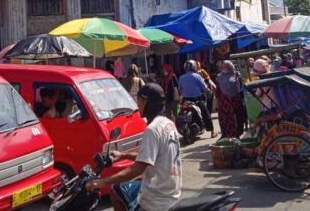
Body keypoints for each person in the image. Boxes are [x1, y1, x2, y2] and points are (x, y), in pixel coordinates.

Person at [86, 83, 181, 211]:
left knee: (117, 186)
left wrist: (103, 182)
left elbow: (137, 169)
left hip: (157, 199)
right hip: (169, 188)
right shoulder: (168, 124)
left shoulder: (152, 130)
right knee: (116, 190)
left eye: (140, 101)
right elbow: (149, 157)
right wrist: (122, 155)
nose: (138, 105)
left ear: (148, 103)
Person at [178, 60, 216, 138]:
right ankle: (212, 132)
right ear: (194, 67)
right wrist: (209, 91)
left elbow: (180, 89)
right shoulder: (197, 76)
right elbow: (205, 88)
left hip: (185, 100)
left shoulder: (181, 77)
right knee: (206, 113)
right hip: (197, 100)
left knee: (180, 113)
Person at [215, 61, 247, 138]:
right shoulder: (219, 77)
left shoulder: (236, 75)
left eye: (226, 66)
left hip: (233, 101)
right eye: (223, 67)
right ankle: (228, 135)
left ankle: (236, 135)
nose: (224, 68)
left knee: (237, 118)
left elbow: (241, 87)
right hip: (226, 102)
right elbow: (217, 91)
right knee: (227, 119)